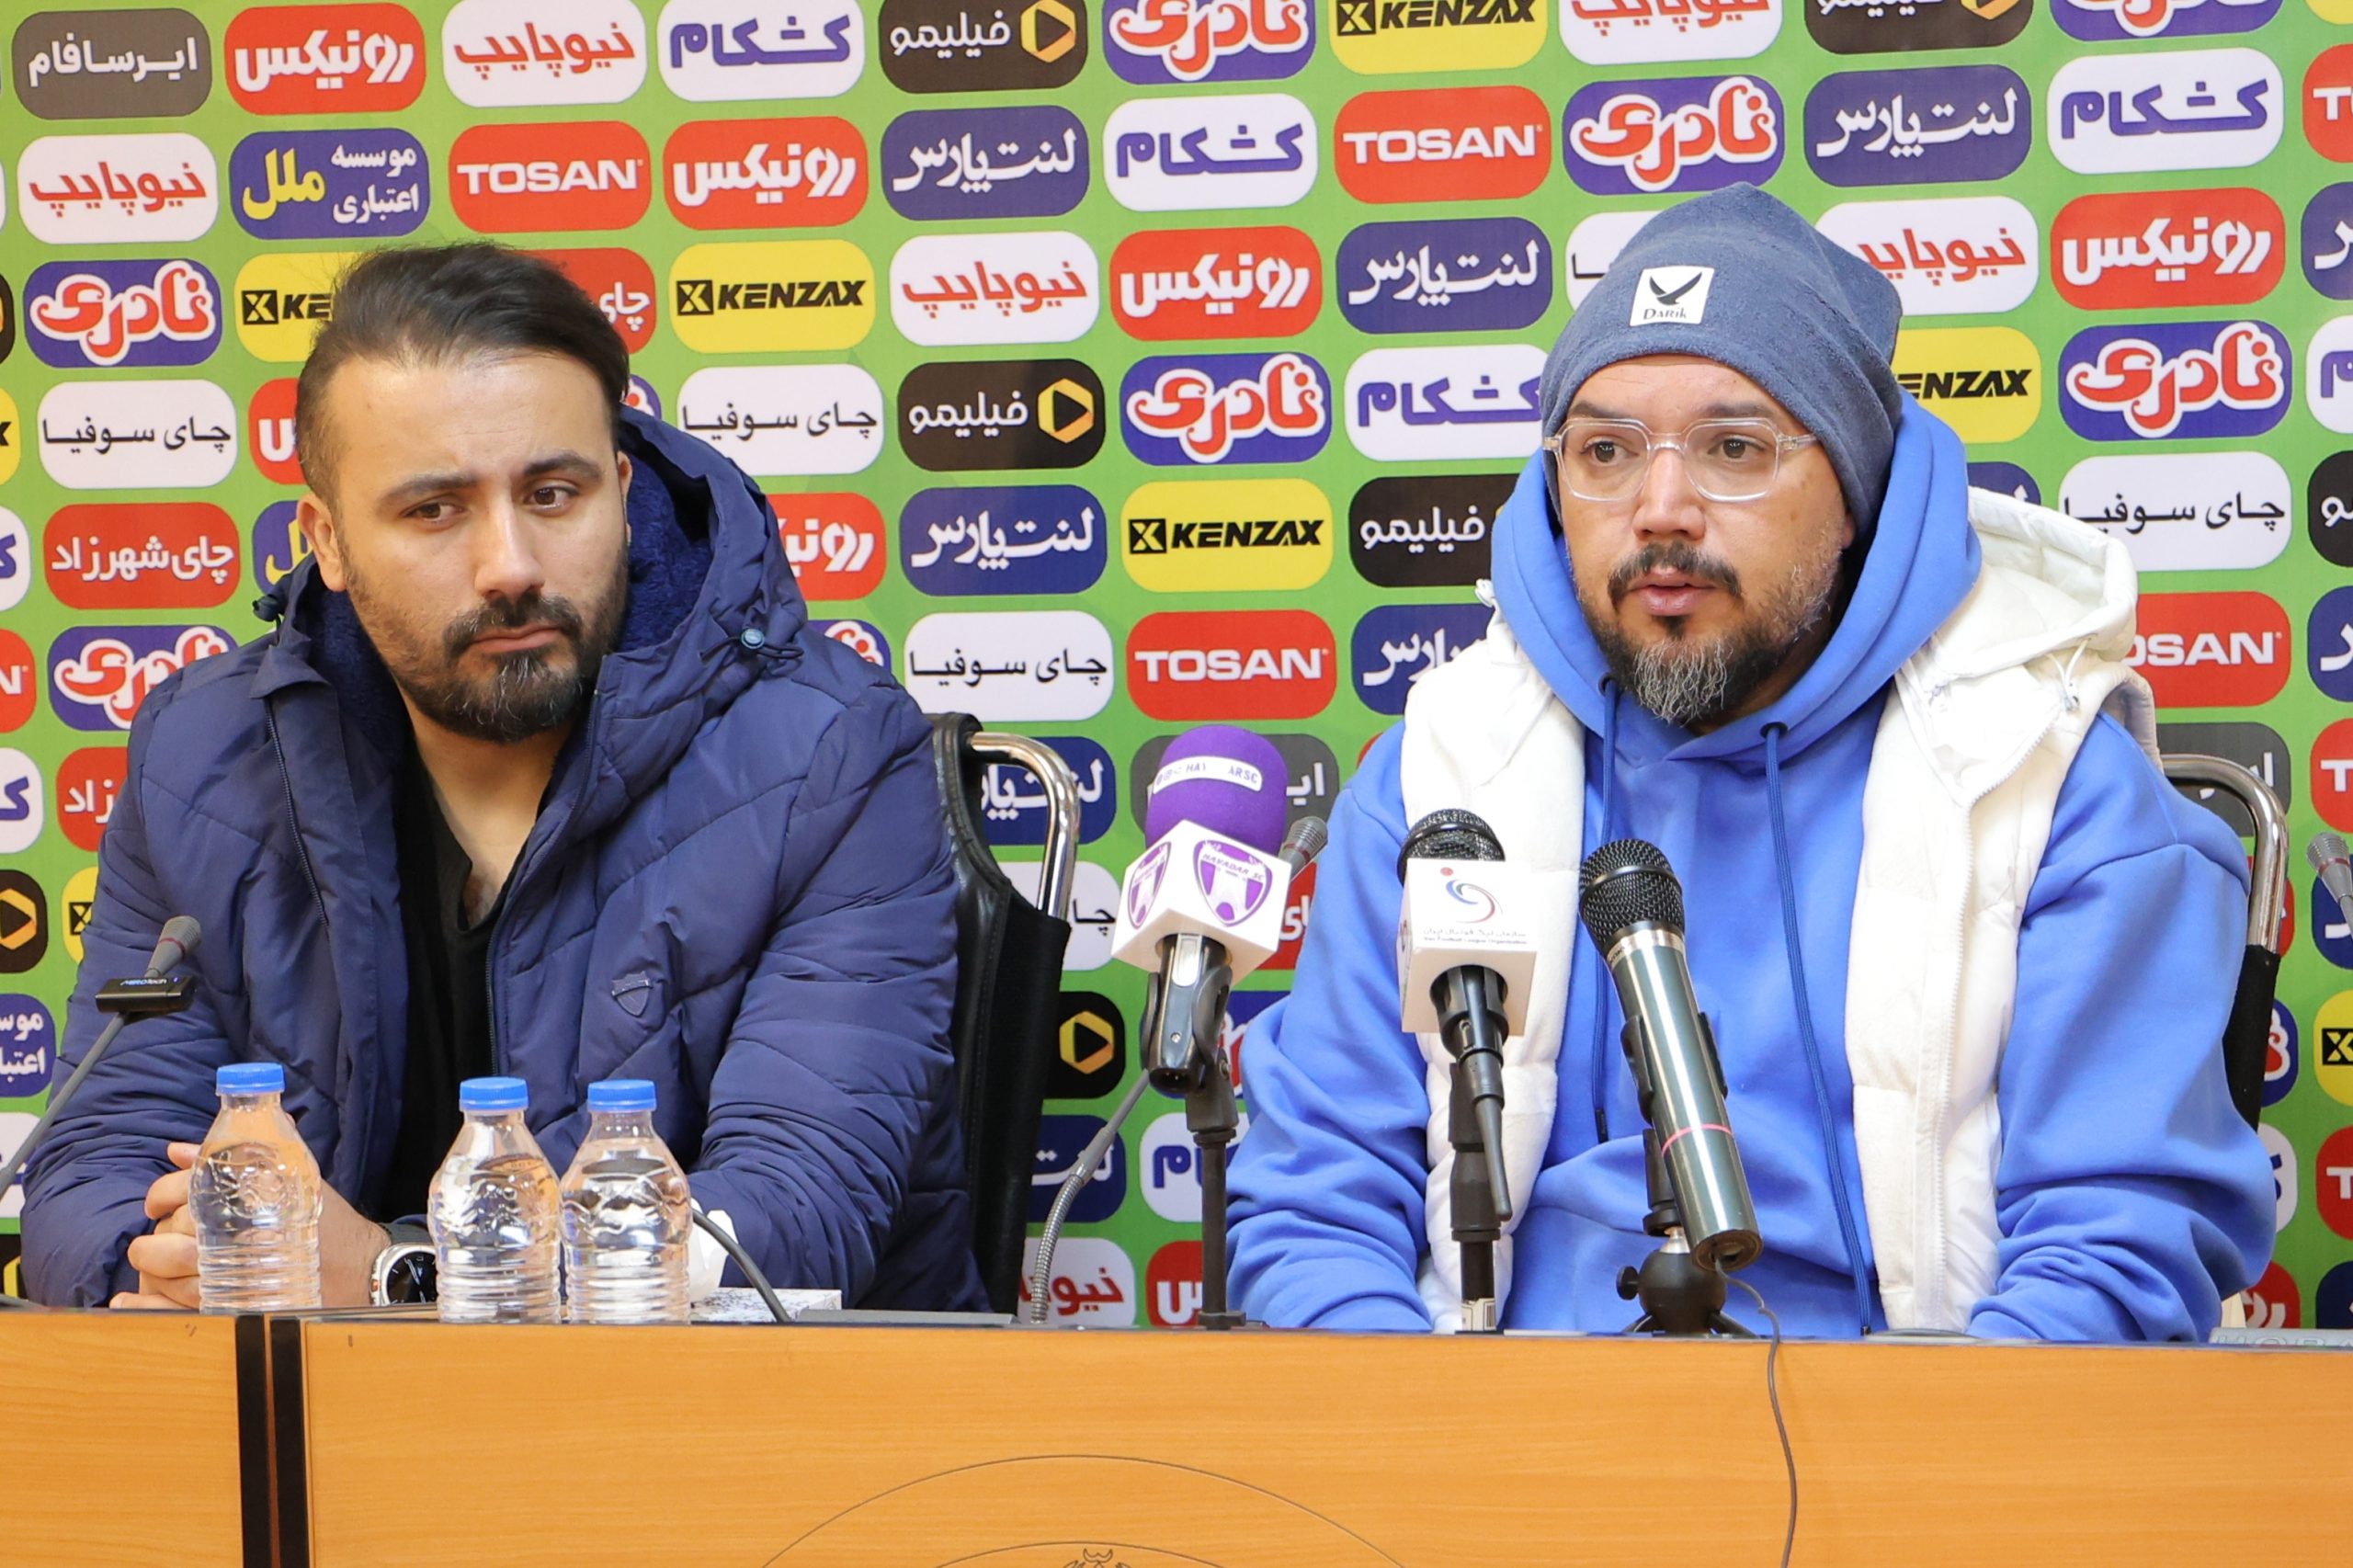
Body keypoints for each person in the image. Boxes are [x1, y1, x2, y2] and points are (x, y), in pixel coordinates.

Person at [1226, 184, 2274, 1340]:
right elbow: (1317, 1210)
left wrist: (1917, 1458)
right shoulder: (1440, 776)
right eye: (1605, 451)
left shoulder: (2047, 781)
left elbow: (2113, 1247)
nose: (1660, 509)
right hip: (1498, 1426)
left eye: (1733, 448)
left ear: (1856, 495)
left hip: (1902, 1423)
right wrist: (1419, 1442)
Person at [22, 244, 983, 1312]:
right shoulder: (199, 758)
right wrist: (159, 1272)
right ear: (327, 540)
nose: (510, 565)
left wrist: (389, 1280)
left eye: (553, 493)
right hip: (309, 1398)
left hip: (743, 1406)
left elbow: (792, 1223)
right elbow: (89, 1170)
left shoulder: (829, 755)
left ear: (622, 494)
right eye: (434, 509)